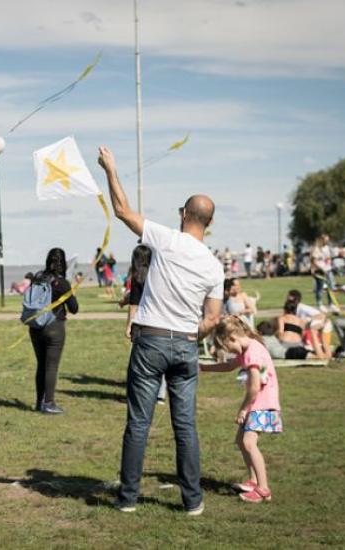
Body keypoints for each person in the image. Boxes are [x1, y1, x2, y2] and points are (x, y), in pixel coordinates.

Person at [98, 145, 223, 516]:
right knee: (185, 426)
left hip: (150, 341)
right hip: (185, 345)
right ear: (209, 223)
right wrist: (191, 336)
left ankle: (128, 499)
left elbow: (122, 210)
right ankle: (192, 500)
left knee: (139, 422)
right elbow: (213, 319)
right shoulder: (214, 266)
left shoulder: (166, 239)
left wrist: (110, 169)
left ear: (183, 214)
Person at [201, 317, 282, 504]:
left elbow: (254, 387)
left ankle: (263, 490)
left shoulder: (253, 353)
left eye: (227, 347)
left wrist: (243, 410)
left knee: (248, 443)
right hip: (256, 404)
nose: (229, 351)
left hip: (262, 404)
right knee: (241, 441)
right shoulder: (247, 349)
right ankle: (253, 481)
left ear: (232, 338)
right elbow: (229, 366)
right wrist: (203, 367)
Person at [27, 248, 79, 414]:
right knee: (51, 367)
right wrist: (71, 293)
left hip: (35, 326)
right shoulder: (62, 283)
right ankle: (48, 403)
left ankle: (39, 402)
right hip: (54, 327)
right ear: (63, 263)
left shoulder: (38, 278)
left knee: (41, 365)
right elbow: (74, 308)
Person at [124, 245, 167, 405]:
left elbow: (134, 304)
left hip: (142, 323)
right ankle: (160, 394)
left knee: (140, 362)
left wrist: (129, 324)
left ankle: (142, 394)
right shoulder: (159, 275)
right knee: (162, 359)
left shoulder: (137, 278)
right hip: (161, 321)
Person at [286, 290, 333, 359]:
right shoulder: (294, 308)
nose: (286, 298)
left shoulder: (302, 308)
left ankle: (322, 353)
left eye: (288, 296)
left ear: (293, 297)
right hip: (314, 328)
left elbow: (322, 315)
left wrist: (308, 320)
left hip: (323, 326)